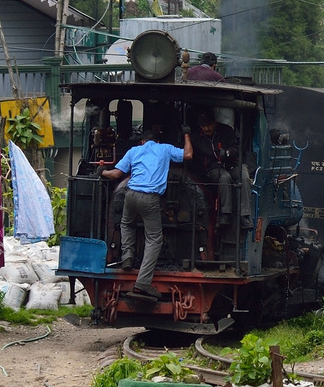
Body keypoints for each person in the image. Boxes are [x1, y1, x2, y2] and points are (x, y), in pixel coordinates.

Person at [99, 123, 193, 299]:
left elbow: (115, 175)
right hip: (150, 198)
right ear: (157, 141)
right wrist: (187, 135)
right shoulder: (164, 148)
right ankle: (142, 283)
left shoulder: (134, 151)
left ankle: (127, 256)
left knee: (126, 224)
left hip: (130, 195)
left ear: (142, 141)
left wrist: (102, 170)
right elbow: (188, 155)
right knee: (154, 240)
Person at [186, 110, 240, 232]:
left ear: (215, 123)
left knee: (242, 175)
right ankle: (226, 213)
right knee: (224, 177)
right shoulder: (196, 138)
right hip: (212, 169)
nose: (206, 128)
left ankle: (242, 215)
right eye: (203, 126)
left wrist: (227, 153)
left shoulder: (226, 131)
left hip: (230, 164)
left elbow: (236, 148)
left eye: (208, 125)